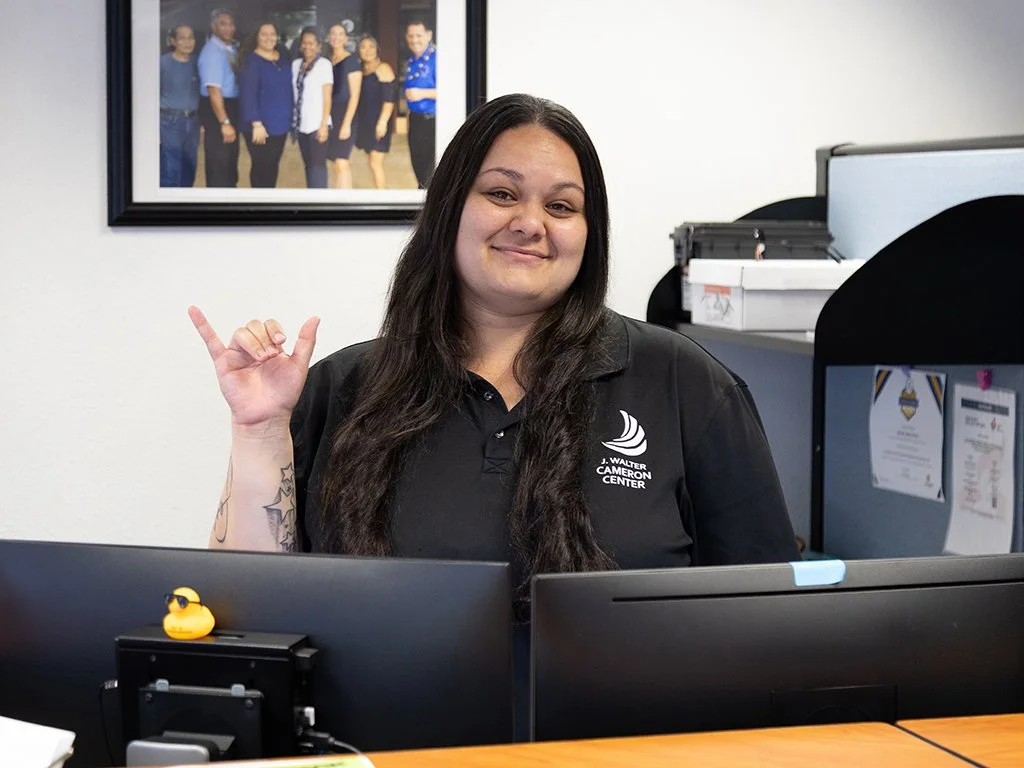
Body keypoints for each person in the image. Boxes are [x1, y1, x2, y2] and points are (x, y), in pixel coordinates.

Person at [189, 93, 799, 592]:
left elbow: (764, 615)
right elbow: (246, 604)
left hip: (613, 741)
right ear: (449, 209)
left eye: (562, 205)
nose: (531, 223)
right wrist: (260, 431)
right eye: (502, 193)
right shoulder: (342, 389)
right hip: (384, 741)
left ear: (590, 233)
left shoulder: (685, 384)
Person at [239, 23, 292, 188]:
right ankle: (258, 205)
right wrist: (256, 123)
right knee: (262, 167)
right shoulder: (251, 61)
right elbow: (247, 94)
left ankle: (269, 202)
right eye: (264, 34)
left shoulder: (282, 58)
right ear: (257, 37)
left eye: (272, 33)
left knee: (273, 166)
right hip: (260, 127)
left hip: (281, 125)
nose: (269, 38)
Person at [197, 9, 240, 187]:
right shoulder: (212, 52)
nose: (228, 28)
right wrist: (225, 122)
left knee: (229, 161)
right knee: (218, 163)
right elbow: (214, 90)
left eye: (231, 24)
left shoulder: (229, 48)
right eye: (223, 24)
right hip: (218, 110)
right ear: (213, 27)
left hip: (230, 107)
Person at [291, 27, 334, 189]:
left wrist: (323, 125)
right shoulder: (296, 65)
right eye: (304, 43)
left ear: (318, 46)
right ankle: (311, 199)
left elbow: (327, 97)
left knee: (318, 166)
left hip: (318, 124)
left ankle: (321, 203)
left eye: (311, 43)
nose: (307, 46)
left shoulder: (324, 65)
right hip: (301, 125)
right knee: (308, 165)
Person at [159, 25, 200, 187]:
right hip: (170, 120)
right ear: (173, 41)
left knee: (190, 164)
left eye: (191, 37)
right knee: (171, 165)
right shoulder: (162, 63)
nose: (187, 42)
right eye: (182, 38)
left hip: (193, 120)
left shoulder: (197, 62)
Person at [353, 34, 396, 188]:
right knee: (371, 161)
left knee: (375, 162)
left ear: (377, 49)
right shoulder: (361, 70)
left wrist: (383, 122)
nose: (368, 50)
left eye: (371, 46)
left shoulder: (383, 68)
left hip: (379, 121)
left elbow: (389, 99)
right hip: (366, 121)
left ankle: (382, 197)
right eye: (363, 47)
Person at [326, 24, 362, 189]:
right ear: (328, 37)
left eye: (340, 34)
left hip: (345, 116)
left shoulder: (352, 61)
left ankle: (345, 200)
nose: (336, 37)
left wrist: (346, 124)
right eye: (333, 33)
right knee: (335, 162)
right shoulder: (327, 60)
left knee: (342, 162)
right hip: (330, 115)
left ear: (346, 38)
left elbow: (355, 96)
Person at [402, 20, 436, 189]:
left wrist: (422, 93)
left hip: (432, 121)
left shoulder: (437, 59)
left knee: (430, 171)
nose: (414, 39)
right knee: (418, 165)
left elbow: (452, 90)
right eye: (411, 36)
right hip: (415, 121)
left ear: (428, 35)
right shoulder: (410, 62)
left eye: (418, 35)